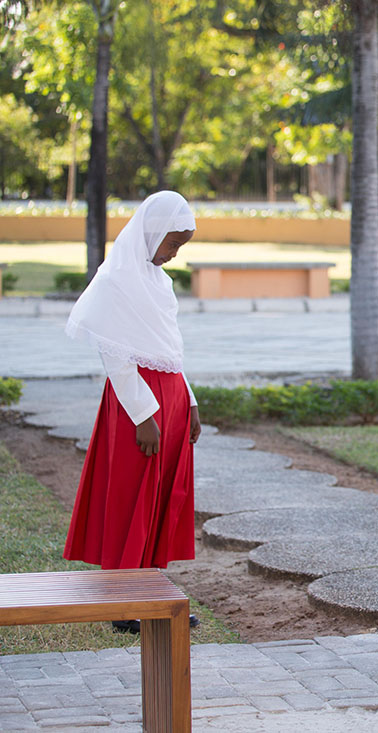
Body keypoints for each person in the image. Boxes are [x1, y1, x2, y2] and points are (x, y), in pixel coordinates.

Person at [63, 190, 202, 633]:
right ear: (151, 232)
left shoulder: (159, 281)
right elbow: (115, 355)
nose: (174, 254)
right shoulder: (115, 280)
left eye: (180, 246)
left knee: (161, 498)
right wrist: (144, 413)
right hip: (138, 404)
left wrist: (191, 401)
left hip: (173, 399)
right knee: (132, 495)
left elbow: (169, 347)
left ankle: (150, 596)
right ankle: (123, 604)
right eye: (172, 243)